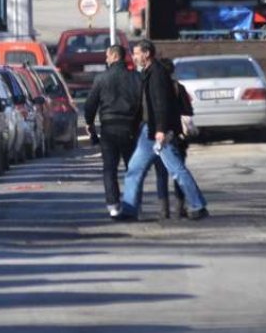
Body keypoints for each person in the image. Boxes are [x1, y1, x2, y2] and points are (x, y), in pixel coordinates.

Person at [119, 39, 208, 221]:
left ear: (146, 54)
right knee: (134, 170)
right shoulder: (148, 73)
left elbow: (161, 104)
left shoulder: (157, 74)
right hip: (148, 131)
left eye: (136, 54)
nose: (134, 57)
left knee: (177, 170)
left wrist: (161, 129)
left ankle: (198, 205)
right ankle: (129, 209)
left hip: (159, 132)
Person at [84, 45, 141, 219]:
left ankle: (114, 205)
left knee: (110, 169)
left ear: (115, 56)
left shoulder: (101, 78)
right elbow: (141, 102)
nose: (105, 59)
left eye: (107, 56)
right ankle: (133, 204)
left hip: (109, 128)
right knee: (133, 168)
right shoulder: (136, 77)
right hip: (130, 127)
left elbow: (90, 104)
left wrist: (89, 123)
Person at [151, 58, 196, 219]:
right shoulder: (179, 88)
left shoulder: (154, 88)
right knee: (179, 171)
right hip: (178, 135)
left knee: (161, 173)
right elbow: (188, 111)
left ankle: (164, 209)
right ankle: (180, 207)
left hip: (159, 134)